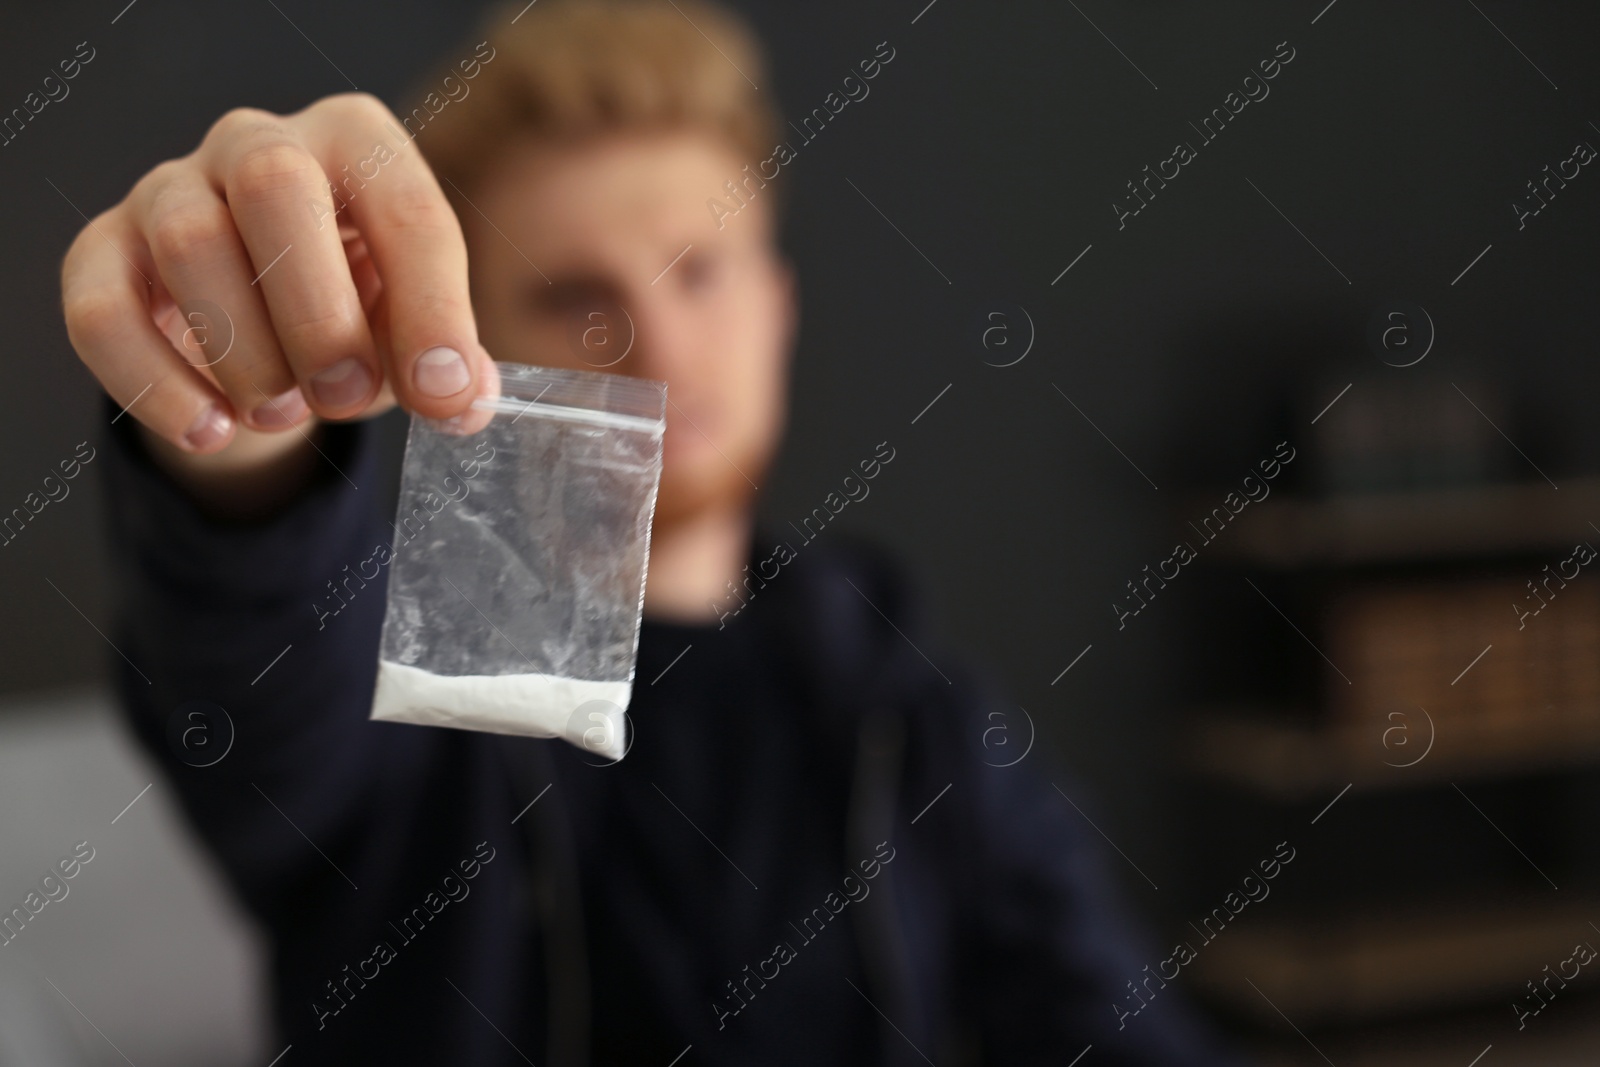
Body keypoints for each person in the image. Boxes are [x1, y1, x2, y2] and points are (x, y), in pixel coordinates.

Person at [60, 1, 1245, 1063]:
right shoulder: (420, 700)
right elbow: (263, 667)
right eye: (576, 296)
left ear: (777, 306)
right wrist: (247, 405)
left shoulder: (909, 705)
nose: (660, 350)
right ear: (457, 335)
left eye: (701, 274)